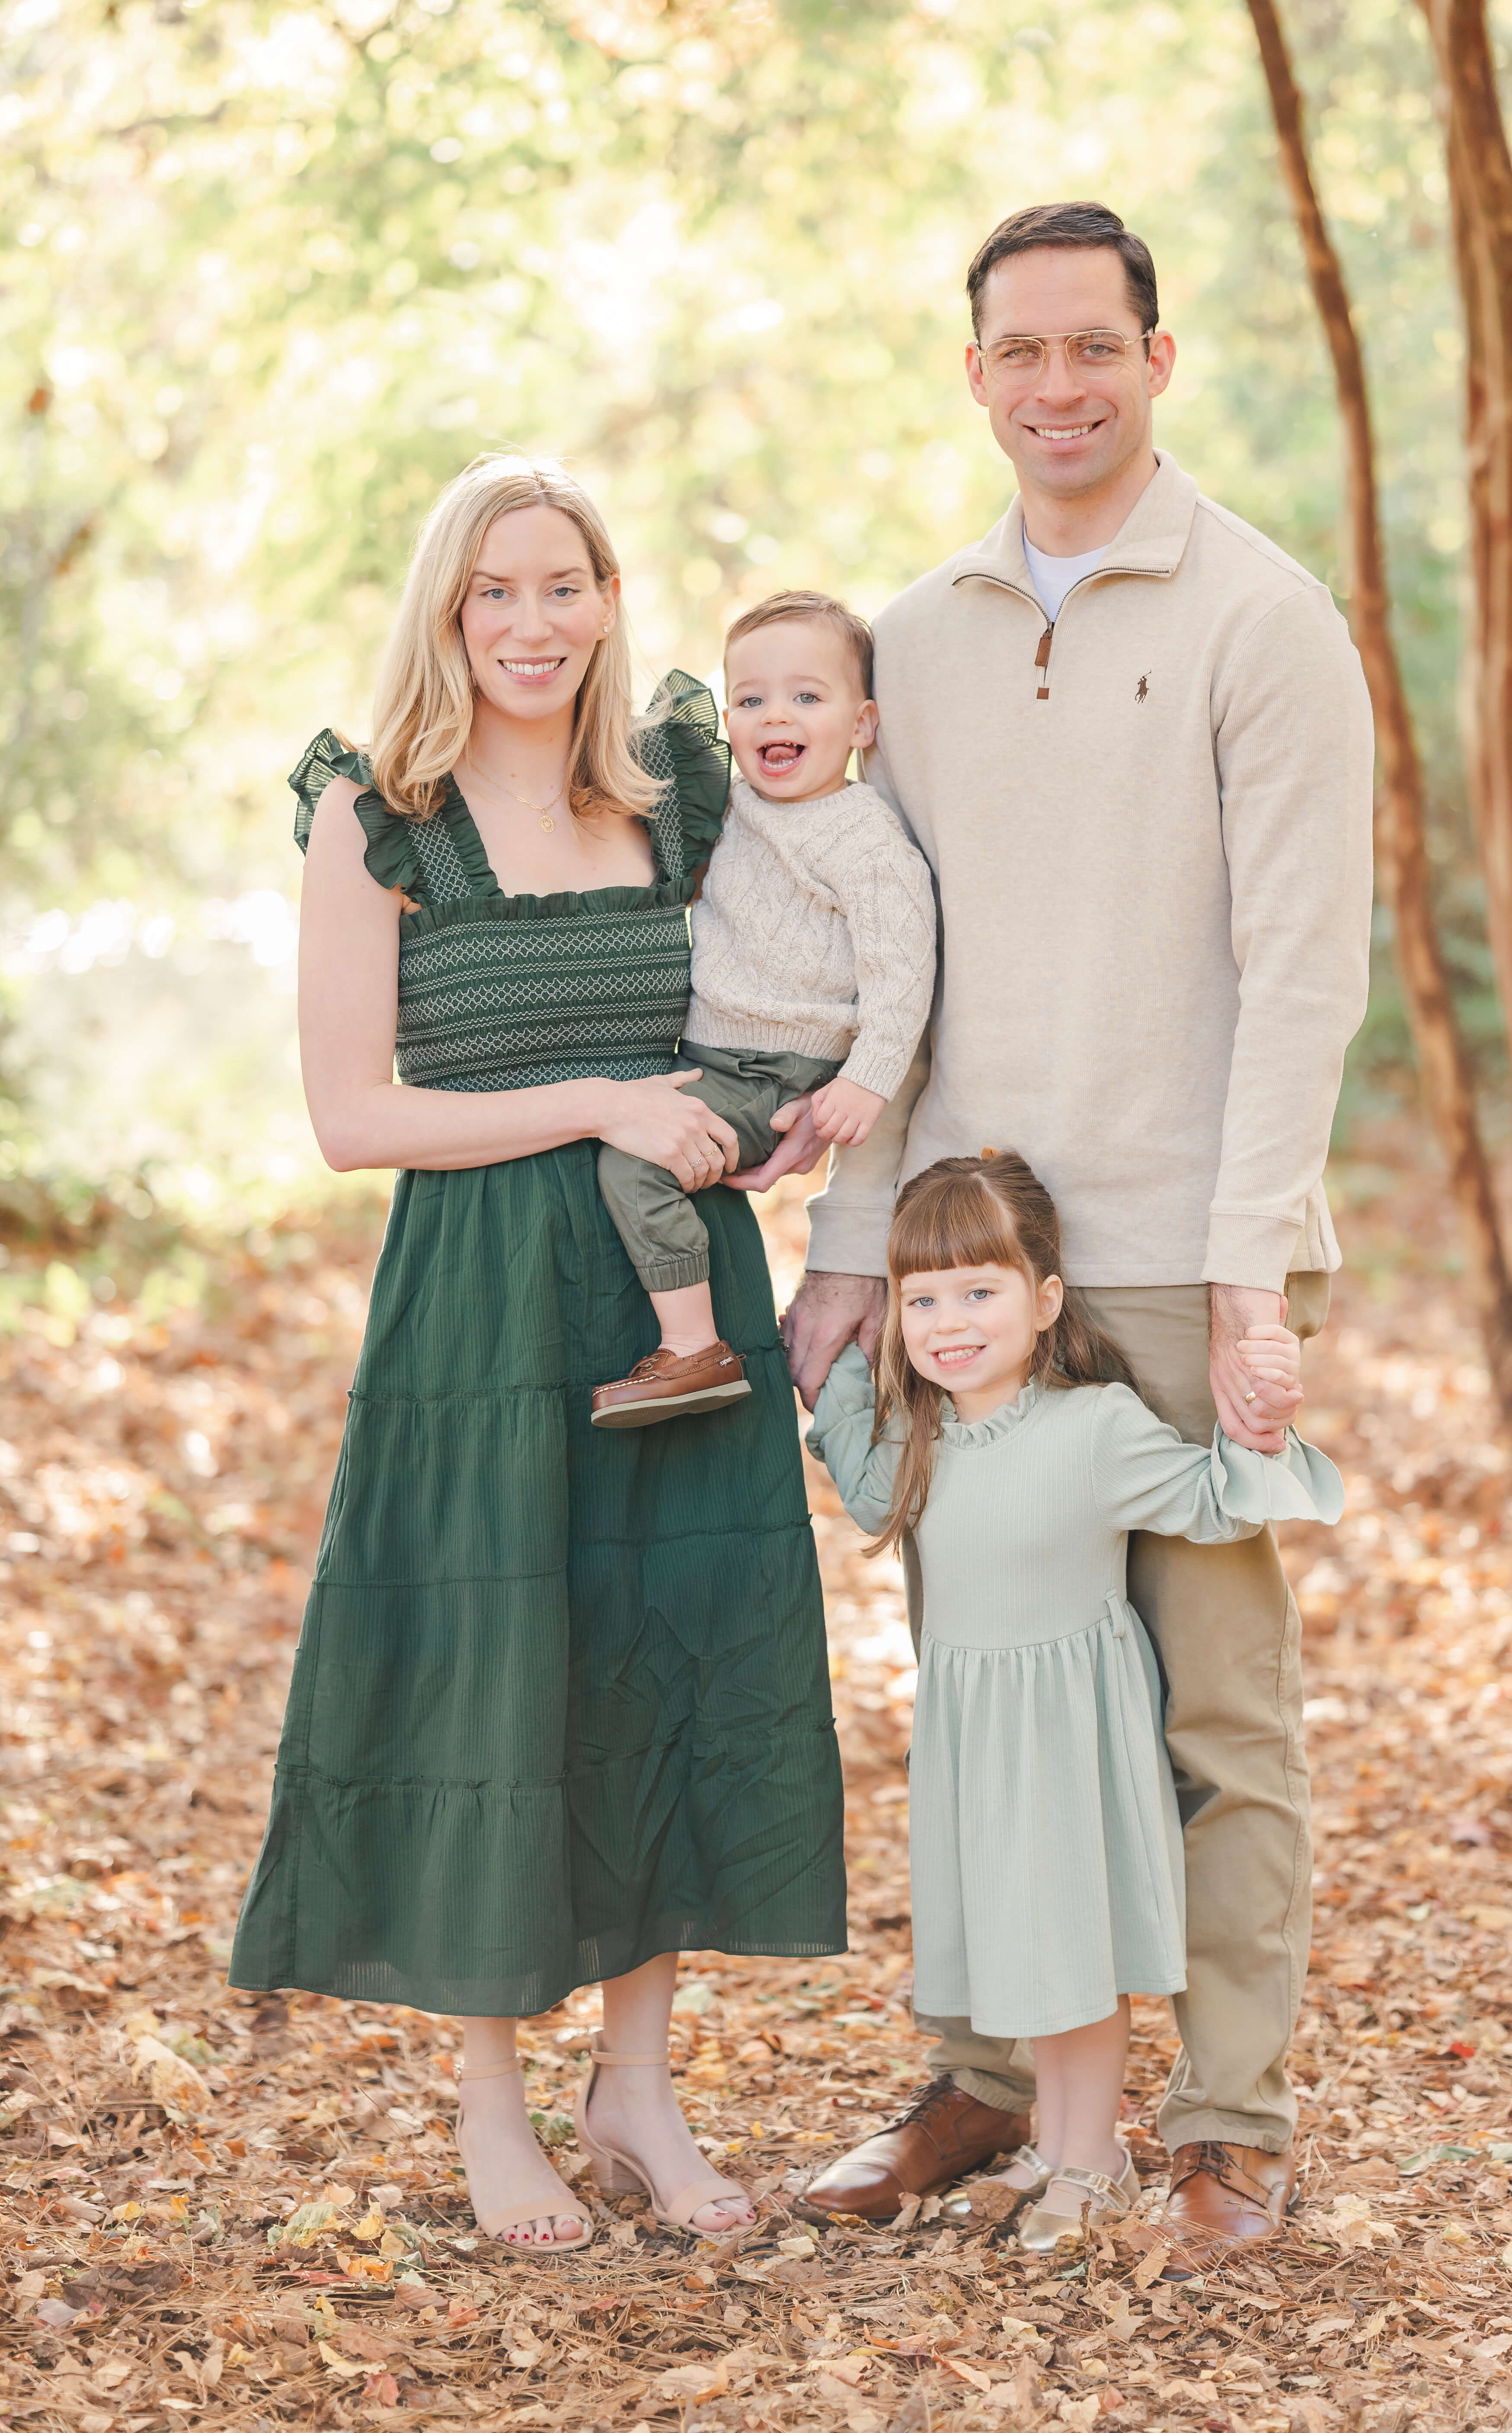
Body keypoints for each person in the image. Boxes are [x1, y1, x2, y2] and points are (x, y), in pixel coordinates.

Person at [746, 201, 1374, 2271]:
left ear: (1153, 359)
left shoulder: (1257, 617)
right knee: (993, 1686)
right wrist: (850, 1247)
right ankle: (990, 2076)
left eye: (1089, 347)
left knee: (1212, 1712)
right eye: (1016, 352)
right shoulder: (908, 639)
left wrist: (1246, 1260)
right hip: (968, 1277)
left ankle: (1225, 2125)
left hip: (1173, 1248)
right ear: (973, 374)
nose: (1054, 387)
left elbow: (1300, 968)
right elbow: (871, 960)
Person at [228, 454, 847, 2252]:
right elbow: (352, 1117)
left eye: (561, 584)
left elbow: (806, 971)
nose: (530, 622)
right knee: (498, 1666)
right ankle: (494, 2100)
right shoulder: (379, 818)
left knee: (669, 1651)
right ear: (445, 608)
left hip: (679, 1290)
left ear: (605, 600)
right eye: (493, 590)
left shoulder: (679, 794)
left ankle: (637, 2090)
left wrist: (795, 1117)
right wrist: (594, 1101)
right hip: (484, 1295)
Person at [806, 1153, 1343, 2253]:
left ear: (1046, 1301)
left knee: (1073, 1941)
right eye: (924, 1299)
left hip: (1066, 1733)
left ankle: (1089, 2153)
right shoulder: (922, 1444)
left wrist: (1264, 1418)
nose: (950, 1322)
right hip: (973, 1741)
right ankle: (1054, 2138)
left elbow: (1210, 1499)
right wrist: (838, 1356)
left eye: (980, 1291)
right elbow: (853, 1466)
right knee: (1016, 1935)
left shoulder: (1094, 1425)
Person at [590, 591, 934, 1427]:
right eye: (750, 700)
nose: (775, 715)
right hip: (709, 1052)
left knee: (636, 1160)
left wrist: (865, 1081)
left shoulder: (864, 838)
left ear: (862, 725)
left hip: (777, 1070)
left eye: (807, 697)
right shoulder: (734, 809)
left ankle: (695, 1348)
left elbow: (904, 974)